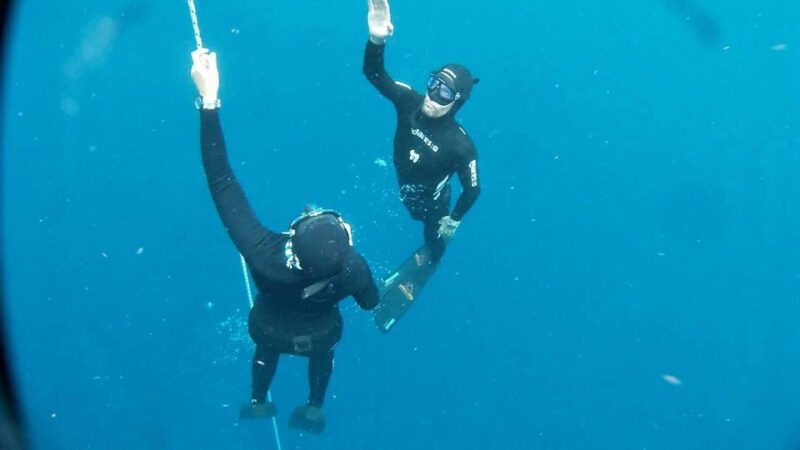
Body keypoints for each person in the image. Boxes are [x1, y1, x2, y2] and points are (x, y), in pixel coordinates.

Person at [190, 48, 379, 434]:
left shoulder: (263, 254)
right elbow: (370, 302)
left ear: (292, 238)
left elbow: (221, 181)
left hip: (269, 328)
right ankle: (313, 408)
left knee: (266, 350)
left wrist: (209, 101)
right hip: (319, 334)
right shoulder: (354, 269)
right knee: (321, 355)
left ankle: (259, 402)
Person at [363, 0, 481, 262]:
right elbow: (374, 73)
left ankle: (434, 255)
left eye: (444, 93)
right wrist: (376, 40)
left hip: (432, 202)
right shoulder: (409, 102)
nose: (432, 96)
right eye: (433, 84)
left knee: (433, 231)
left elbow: (472, 189)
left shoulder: (461, 147)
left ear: (456, 101)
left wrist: (454, 220)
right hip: (403, 180)